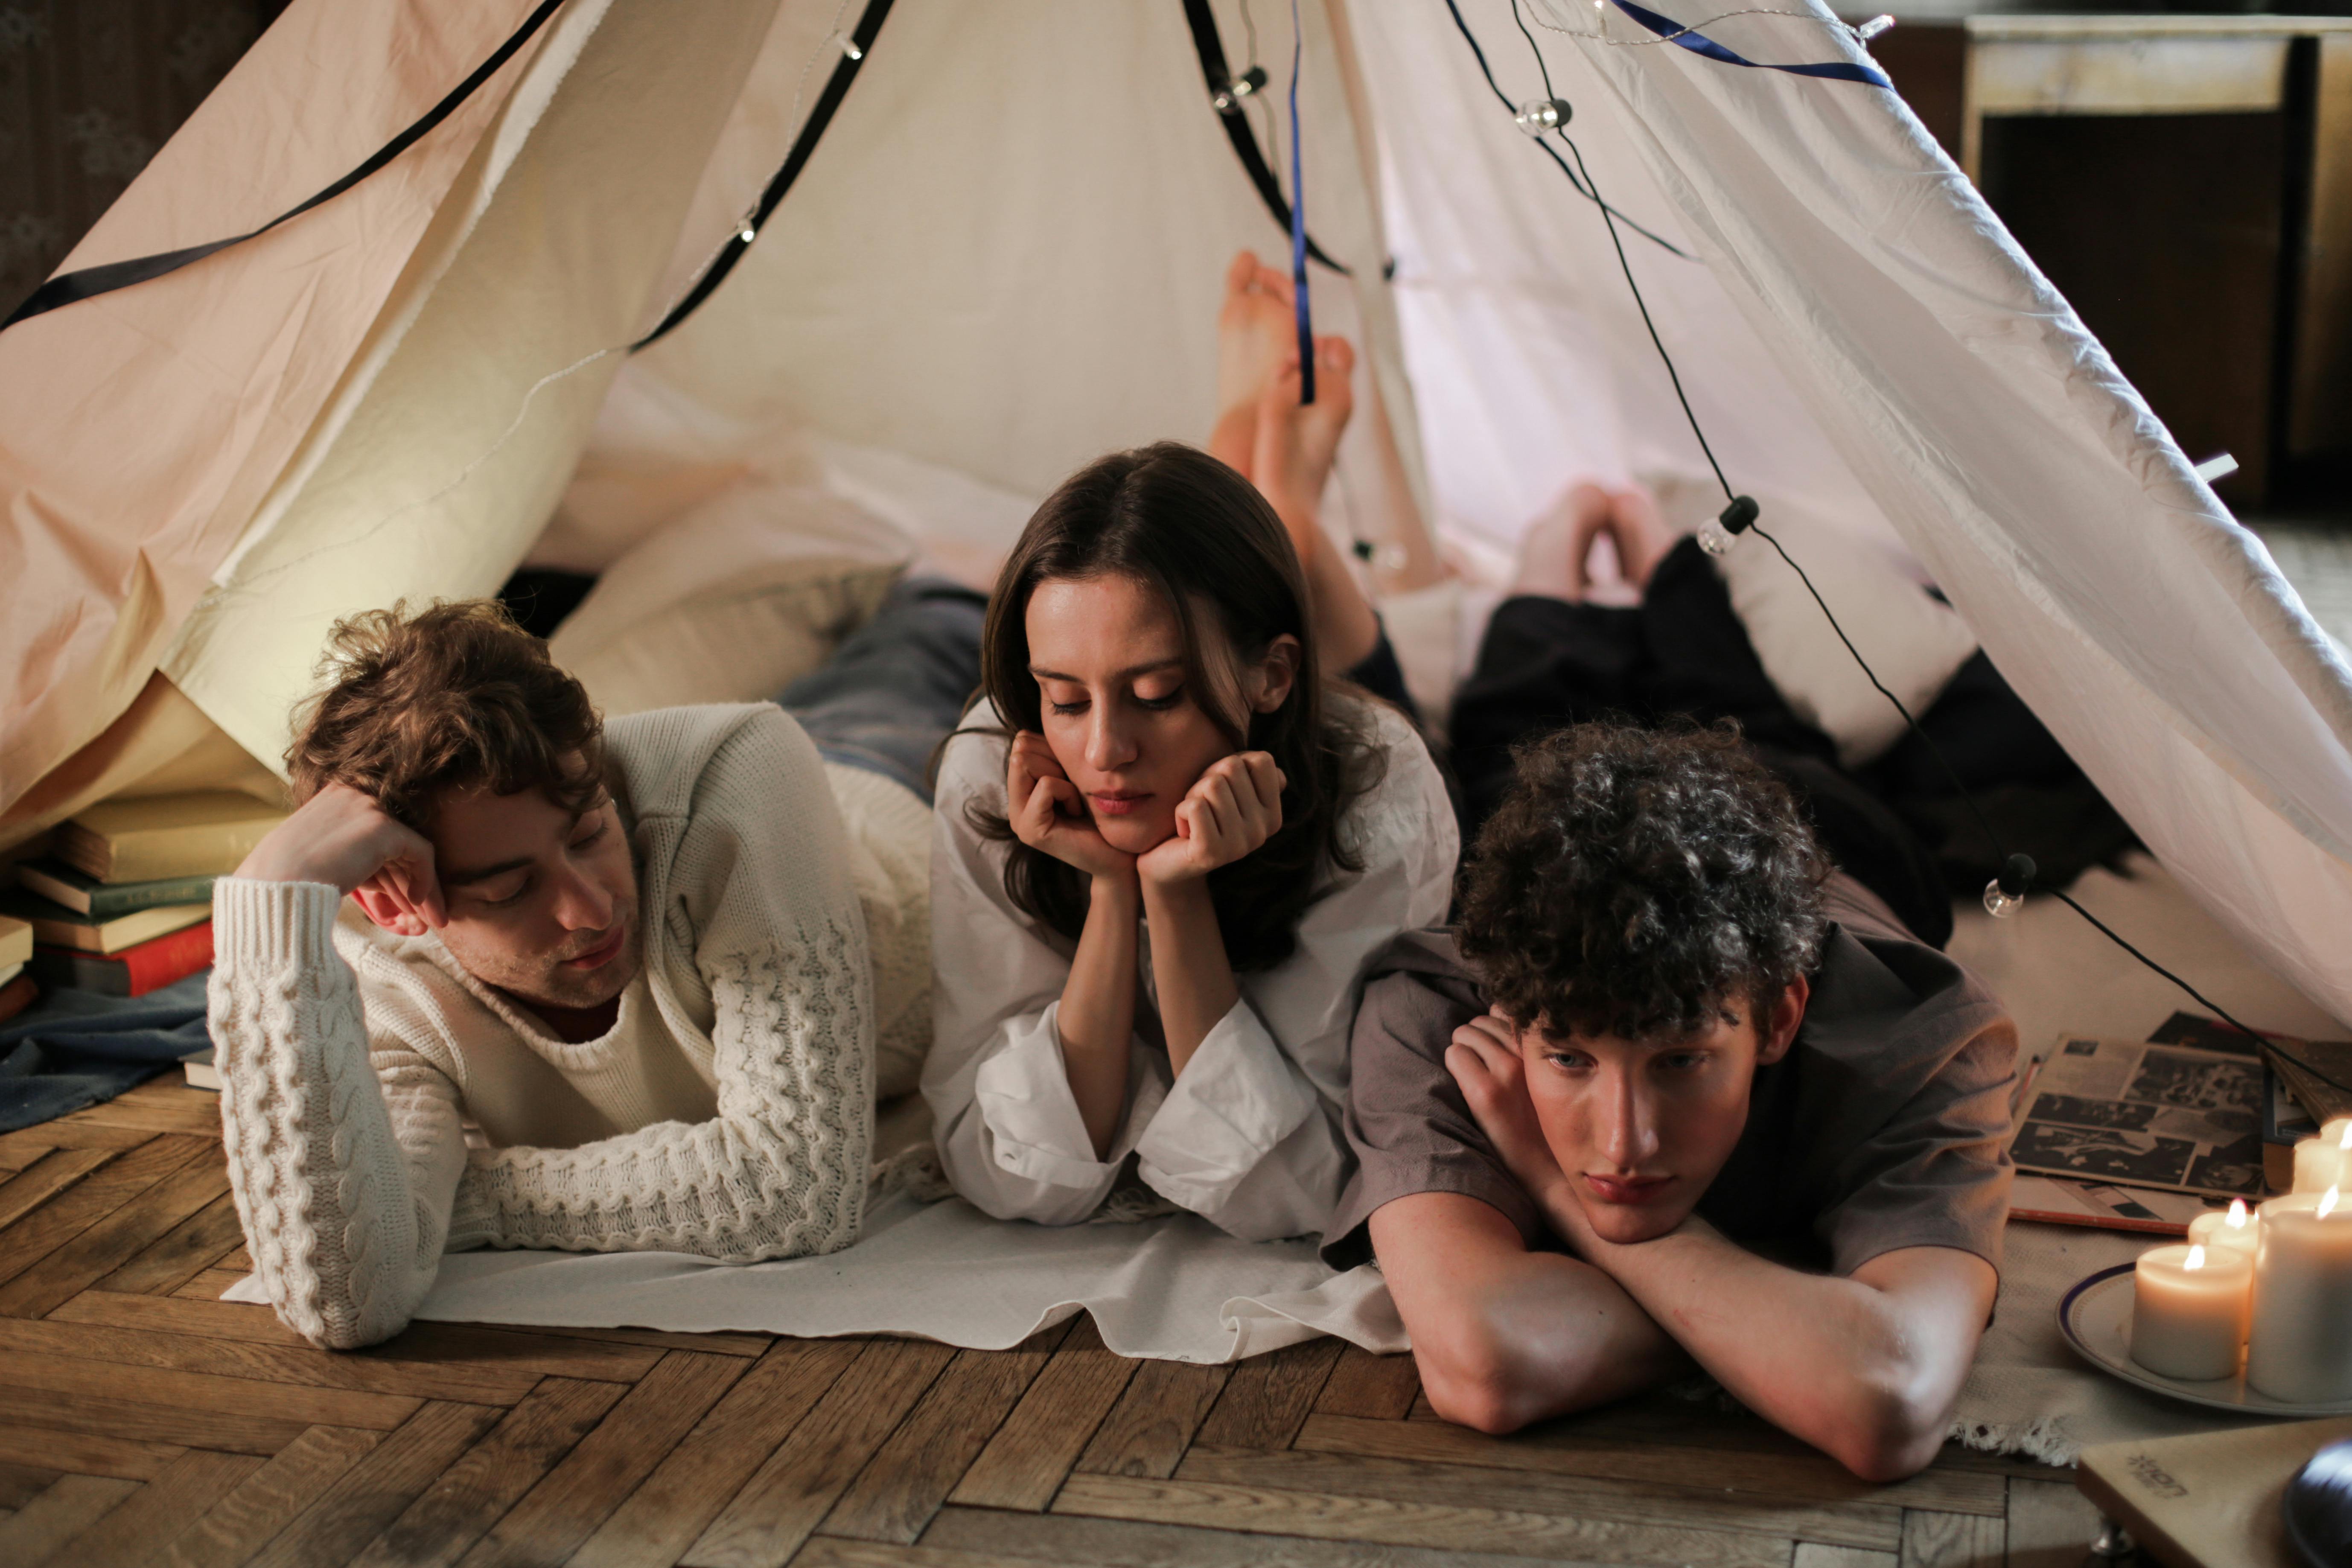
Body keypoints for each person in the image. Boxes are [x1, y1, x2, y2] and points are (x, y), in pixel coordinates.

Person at [209, 589, 973, 1349]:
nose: (590, 910)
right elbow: (348, 1299)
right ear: (397, 905)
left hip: (879, 788)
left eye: (589, 834)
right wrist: (266, 906)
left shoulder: (740, 762)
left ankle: (939, 590)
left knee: (924, 644)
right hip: (821, 780)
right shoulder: (378, 966)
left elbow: (796, 1188)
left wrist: (457, 1204)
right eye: (511, 887)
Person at [1324, 722, 2018, 1481]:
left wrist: (1553, 1185)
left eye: (1681, 1060)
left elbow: (1891, 1401)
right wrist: (1802, 1317)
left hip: (1844, 829)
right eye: (1568, 1058)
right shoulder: (1443, 1017)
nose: (1624, 1145)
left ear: (1781, 1018)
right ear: (1511, 1017)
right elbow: (1487, 1365)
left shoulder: (1924, 1039)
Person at [925, 440, 1457, 1239]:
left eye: (1158, 694)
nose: (1104, 751)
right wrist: (1113, 888)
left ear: (1270, 675)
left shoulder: (1379, 793)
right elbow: (1004, 1169)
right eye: (1066, 700)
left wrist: (1175, 896)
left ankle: (1284, 468)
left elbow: (1305, 1187)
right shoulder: (992, 768)